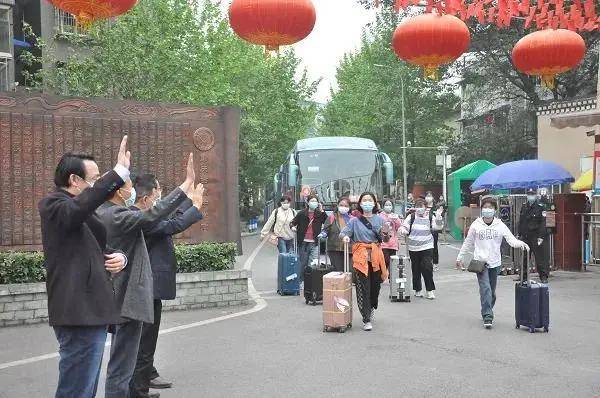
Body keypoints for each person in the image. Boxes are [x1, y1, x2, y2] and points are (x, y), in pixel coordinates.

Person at [97, 154, 197, 398]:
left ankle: (136, 388)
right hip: (128, 297)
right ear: (119, 192)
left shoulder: (107, 211)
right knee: (122, 365)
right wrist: (185, 188)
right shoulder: (118, 214)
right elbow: (157, 216)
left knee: (124, 360)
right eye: (129, 185)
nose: (132, 189)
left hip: (126, 295)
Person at [38, 136, 130, 398]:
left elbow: (99, 249)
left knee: (85, 387)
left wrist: (120, 258)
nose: (97, 184)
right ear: (74, 180)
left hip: (94, 312)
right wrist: (118, 173)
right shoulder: (54, 206)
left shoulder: (82, 213)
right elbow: (78, 209)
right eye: (94, 178)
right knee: (76, 389)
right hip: (77, 312)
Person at [129, 174, 204, 397]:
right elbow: (173, 224)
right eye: (157, 192)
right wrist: (195, 204)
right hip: (146, 288)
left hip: (149, 288)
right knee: (144, 342)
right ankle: (138, 390)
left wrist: (187, 200)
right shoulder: (140, 218)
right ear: (145, 197)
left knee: (145, 341)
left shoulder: (143, 215)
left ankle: (143, 381)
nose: (160, 197)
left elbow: (169, 217)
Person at [456, 196, 529, 328]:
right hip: (480, 263)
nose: (487, 210)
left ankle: (486, 307)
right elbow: (468, 242)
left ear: (495, 210)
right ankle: (488, 316)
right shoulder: (476, 225)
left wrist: (522, 244)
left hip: (495, 263)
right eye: (485, 207)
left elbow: (511, 240)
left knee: (492, 292)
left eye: (490, 207)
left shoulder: (500, 225)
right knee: (486, 289)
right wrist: (460, 257)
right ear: (481, 209)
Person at [340, 192, 389, 331]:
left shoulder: (380, 220)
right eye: (364, 200)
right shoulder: (354, 221)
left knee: (375, 287)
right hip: (360, 257)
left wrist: (385, 234)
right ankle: (366, 318)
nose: (367, 203)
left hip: (376, 257)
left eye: (370, 200)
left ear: (374, 203)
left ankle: (371, 306)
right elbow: (343, 233)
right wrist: (345, 238)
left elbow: (385, 239)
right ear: (360, 204)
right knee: (363, 288)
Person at [400, 197, 443, 300]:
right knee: (416, 269)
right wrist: (403, 231)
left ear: (425, 207)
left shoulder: (430, 217)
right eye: (418, 206)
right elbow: (403, 227)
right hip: (413, 247)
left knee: (427, 267)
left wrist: (438, 217)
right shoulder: (411, 217)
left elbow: (437, 227)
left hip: (427, 246)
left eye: (421, 206)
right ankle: (418, 289)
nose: (419, 208)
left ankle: (430, 290)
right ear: (415, 208)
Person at [290, 195, 327, 282]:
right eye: (312, 201)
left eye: (315, 201)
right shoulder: (302, 213)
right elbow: (292, 222)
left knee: (313, 263)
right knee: (303, 263)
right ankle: (301, 281)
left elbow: (327, 222)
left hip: (315, 242)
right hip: (303, 242)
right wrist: (293, 227)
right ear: (308, 202)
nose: (314, 203)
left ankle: (310, 282)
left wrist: (322, 210)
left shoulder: (319, 214)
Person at [518, 188, 549, 283]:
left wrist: (541, 236)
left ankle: (543, 276)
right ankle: (523, 276)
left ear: (536, 195)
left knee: (540, 257)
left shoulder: (541, 207)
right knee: (524, 257)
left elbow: (543, 223)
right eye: (529, 194)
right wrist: (519, 234)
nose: (530, 196)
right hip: (526, 236)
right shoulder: (524, 206)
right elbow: (521, 221)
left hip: (536, 236)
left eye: (532, 194)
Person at [321, 197, 353, 272]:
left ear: (349, 207)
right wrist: (323, 234)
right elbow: (326, 230)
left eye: (346, 206)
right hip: (335, 249)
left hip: (350, 249)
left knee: (350, 271)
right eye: (341, 205)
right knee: (338, 272)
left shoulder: (352, 219)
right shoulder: (331, 218)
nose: (343, 207)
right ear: (337, 206)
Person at [379, 198, 403, 274]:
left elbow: (398, 226)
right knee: (385, 260)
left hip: (393, 243)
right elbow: (380, 228)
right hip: (383, 243)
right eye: (386, 205)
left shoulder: (394, 216)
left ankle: (391, 277)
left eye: (390, 205)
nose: (388, 206)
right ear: (383, 206)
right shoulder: (380, 216)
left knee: (392, 262)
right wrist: (387, 222)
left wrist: (396, 220)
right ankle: (382, 275)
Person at [425, 192, 441, 271]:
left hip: (433, 230)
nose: (428, 198)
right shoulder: (423, 207)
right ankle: (427, 262)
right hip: (424, 230)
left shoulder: (435, 207)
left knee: (434, 246)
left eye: (430, 196)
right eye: (427, 196)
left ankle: (435, 263)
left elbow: (439, 221)